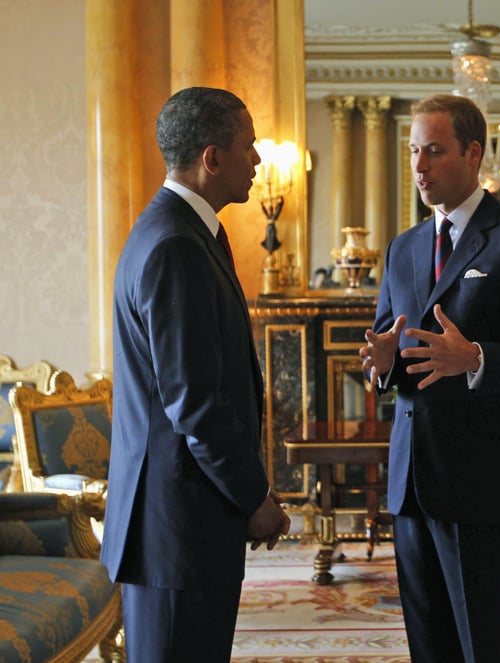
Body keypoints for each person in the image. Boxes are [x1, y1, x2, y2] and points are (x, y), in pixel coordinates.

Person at [359, 93, 500, 663]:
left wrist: (476, 360)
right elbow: (386, 346)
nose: (418, 166)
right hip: (411, 478)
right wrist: (381, 360)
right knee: (430, 648)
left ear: (473, 153)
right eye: (414, 151)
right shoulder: (403, 248)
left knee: (487, 646)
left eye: (434, 151)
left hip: (483, 480)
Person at [101, 87, 291, 662]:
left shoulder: (184, 232)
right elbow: (196, 404)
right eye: (249, 145)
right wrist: (254, 496)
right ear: (212, 157)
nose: (257, 160)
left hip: (183, 521)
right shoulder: (175, 246)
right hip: (176, 527)